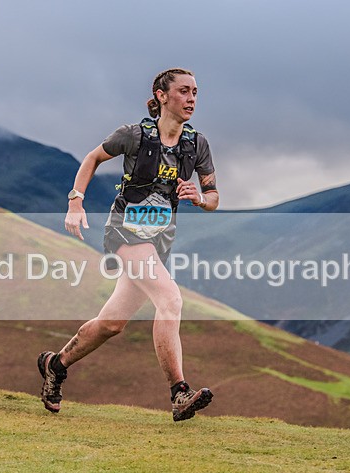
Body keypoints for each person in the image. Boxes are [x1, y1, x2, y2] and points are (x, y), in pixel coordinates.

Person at [38, 68, 219, 421]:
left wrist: (199, 198)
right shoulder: (133, 135)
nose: (192, 99)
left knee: (112, 324)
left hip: (159, 241)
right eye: (183, 91)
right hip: (124, 233)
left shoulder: (197, 144)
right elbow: (92, 159)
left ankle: (55, 365)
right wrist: (76, 202)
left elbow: (213, 196)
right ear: (162, 95)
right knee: (170, 299)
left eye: (195, 92)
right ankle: (179, 393)